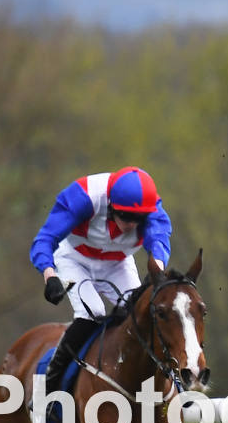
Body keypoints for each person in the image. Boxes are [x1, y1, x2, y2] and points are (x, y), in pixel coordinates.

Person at [30, 166, 173, 398]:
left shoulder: (151, 209)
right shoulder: (84, 196)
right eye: (125, 216)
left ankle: (168, 382)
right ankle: (49, 384)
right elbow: (45, 238)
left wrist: (157, 270)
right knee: (93, 313)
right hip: (73, 259)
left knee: (142, 314)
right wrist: (50, 275)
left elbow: (159, 240)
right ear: (110, 204)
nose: (131, 224)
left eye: (138, 218)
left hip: (117, 263)